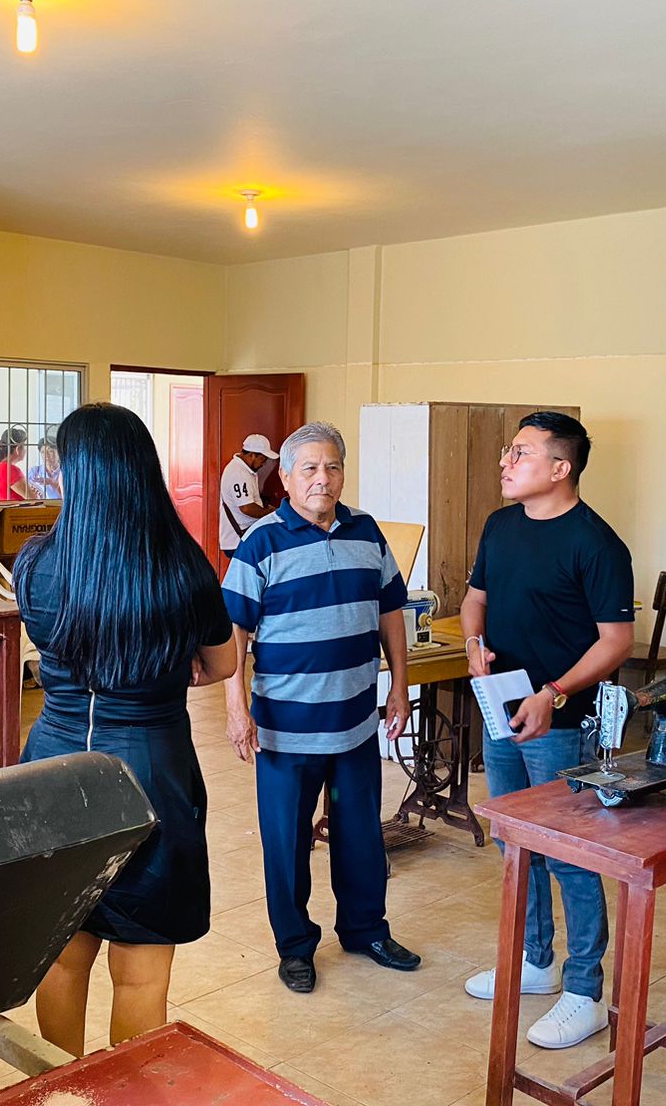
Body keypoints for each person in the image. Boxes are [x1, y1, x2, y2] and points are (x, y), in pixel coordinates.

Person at [15, 403, 236, 1055]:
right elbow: (222, 664)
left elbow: (58, 649)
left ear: (75, 473)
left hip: (55, 764)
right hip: (149, 768)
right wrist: (163, 670)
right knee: (140, 977)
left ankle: (62, 1091)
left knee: (62, 958)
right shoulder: (184, 568)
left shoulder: (37, 564)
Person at [222, 421, 420, 994]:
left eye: (332, 466)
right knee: (287, 843)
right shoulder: (261, 543)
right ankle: (295, 946)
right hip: (286, 729)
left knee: (361, 836)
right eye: (308, 468)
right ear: (285, 478)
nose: (322, 478)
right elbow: (234, 631)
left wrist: (399, 686)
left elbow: (390, 612)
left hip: (355, 722)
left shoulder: (366, 532)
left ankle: (365, 930)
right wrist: (236, 707)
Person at [459, 411, 635, 1049]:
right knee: (513, 840)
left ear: (561, 468)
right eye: (509, 452)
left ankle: (584, 991)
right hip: (502, 707)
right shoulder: (500, 526)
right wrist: (473, 644)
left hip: (559, 721)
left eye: (521, 453)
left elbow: (616, 640)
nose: (505, 463)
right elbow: (475, 599)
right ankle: (536, 961)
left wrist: (554, 692)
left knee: (569, 854)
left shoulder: (597, 544)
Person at [218, 433, 277, 561]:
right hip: (238, 540)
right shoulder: (238, 473)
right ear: (252, 455)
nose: (264, 464)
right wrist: (270, 514)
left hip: (242, 537)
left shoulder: (244, 470)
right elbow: (247, 508)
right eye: (262, 459)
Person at [0, 427, 30, 501]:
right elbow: (33, 498)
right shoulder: (9, 469)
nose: (26, 450)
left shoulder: (2, 467)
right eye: (24, 446)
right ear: (18, 449)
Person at [25, 431, 63, 500]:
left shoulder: (65, 471)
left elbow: (71, 495)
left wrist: (52, 483)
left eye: (50, 451)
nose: (46, 455)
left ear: (58, 451)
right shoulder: (34, 471)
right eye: (42, 452)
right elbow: (26, 492)